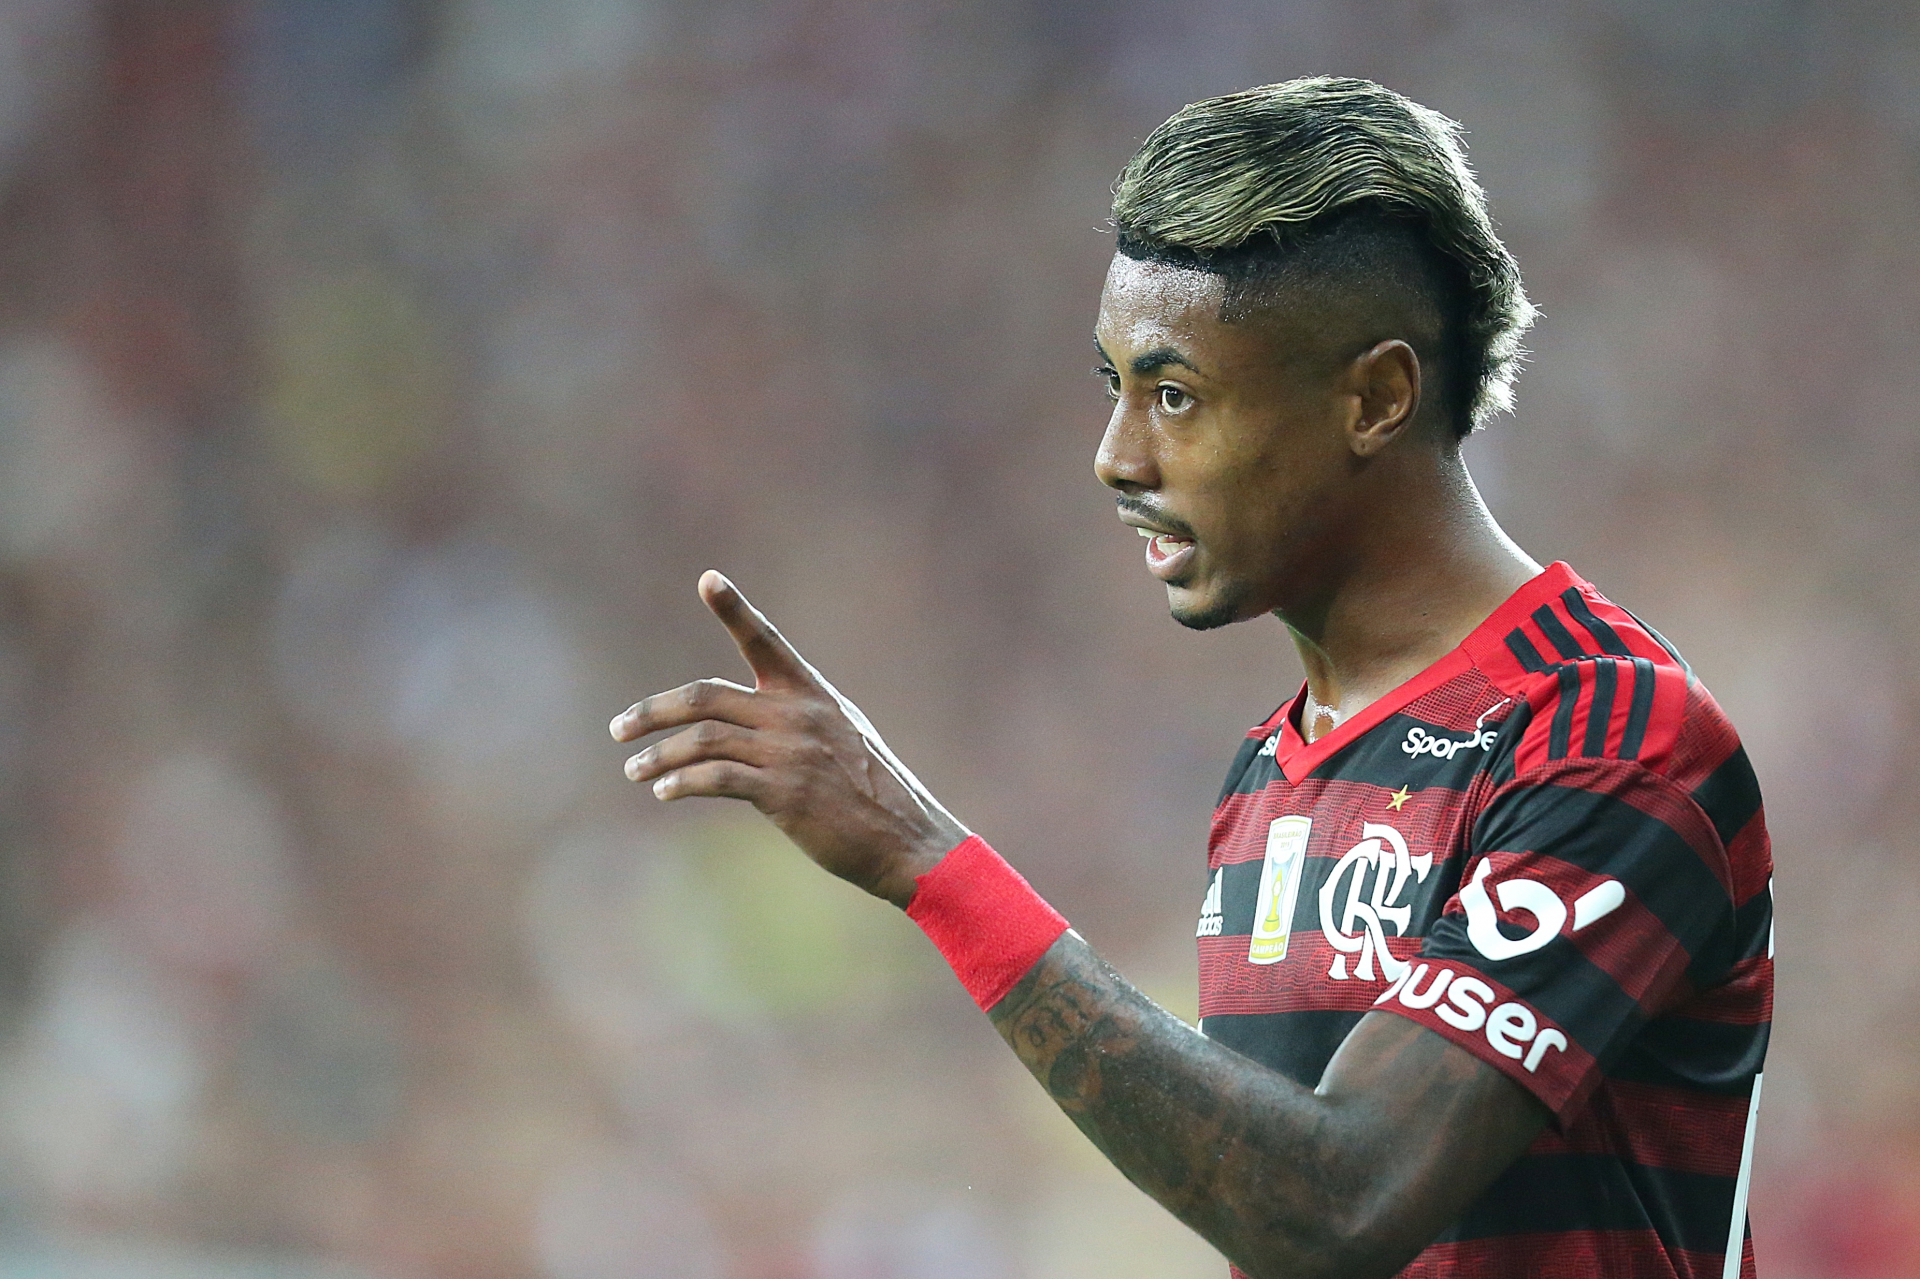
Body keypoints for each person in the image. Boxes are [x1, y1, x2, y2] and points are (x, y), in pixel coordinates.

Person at [609, 77, 1772, 1279]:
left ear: (1375, 398)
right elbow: (1264, 1209)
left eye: (1176, 395)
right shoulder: (1273, 768)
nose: (1117, 457)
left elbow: (1342, 1203)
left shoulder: (1607, 731)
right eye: (1113, 388)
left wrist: (929, 861)